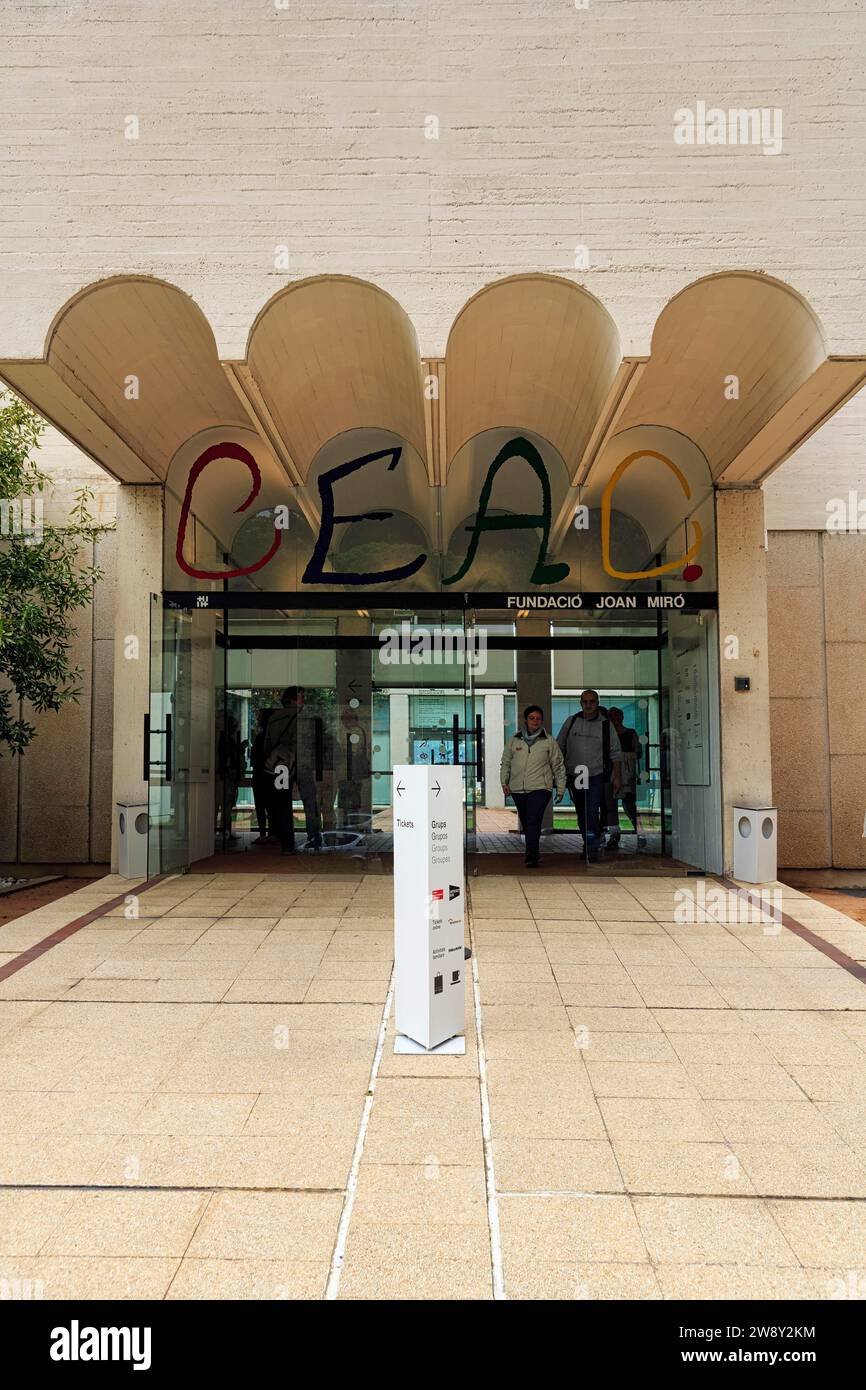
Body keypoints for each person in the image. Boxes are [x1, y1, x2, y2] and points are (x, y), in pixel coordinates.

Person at [556, 690, 622, 863]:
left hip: (595, 774)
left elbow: (616, 753)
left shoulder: (606, 725)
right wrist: (558, 772)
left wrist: (617, 777)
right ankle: (589, 841)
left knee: (592, 810)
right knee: (582, 812)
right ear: (580, 703)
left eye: (592, 701)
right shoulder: (571, 721)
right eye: (585, 701)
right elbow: (559, 746)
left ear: (597, 702)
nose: (589, 705)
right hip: (576, 774)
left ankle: (591, 848)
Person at [500, 704, 566, 868]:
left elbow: (558, 765)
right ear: (526, 720)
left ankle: (531, 856)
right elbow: (506, 763)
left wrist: (560, 787)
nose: (535, 721)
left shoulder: (549, 741)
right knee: (526, 821)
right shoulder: (514, 740)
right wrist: (504, 782)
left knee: (533, 819)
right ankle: (532, 851)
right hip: (518, 789)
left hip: (540, 788)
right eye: (532, 718)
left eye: (538, 718)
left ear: (542, 721)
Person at [262, 686, 323, 855]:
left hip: (280, 765)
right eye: (302, 697)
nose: (304, 700)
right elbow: (308, 744)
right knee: (310, 803)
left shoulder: (274, 718)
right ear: (293, 699)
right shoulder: (303, 718)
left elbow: (267, 744)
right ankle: (314, 840)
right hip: (301, 763)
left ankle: (287, 844)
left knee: (282, 804)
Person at [605, 707, 646, 851]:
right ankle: (614, 835)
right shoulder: (606, 734)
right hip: (609, 773)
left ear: (622, 717)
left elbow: (638, 752)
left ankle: (640, 832)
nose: (614, 718)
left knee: (629, 804)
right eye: (611, 715)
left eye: (617, 715)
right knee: (610, 806)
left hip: (627, 774)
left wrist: (625, 759)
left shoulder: (630, 733)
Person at [250, 707, 276, 844]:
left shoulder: (261, 737)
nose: (257, 719)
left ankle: (264, 833)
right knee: (270, 806)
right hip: (269, 775)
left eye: (259, 717)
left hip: (261, 775)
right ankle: (271, 833)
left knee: (261, 805)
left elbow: (255, 758)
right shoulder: (272, 736)